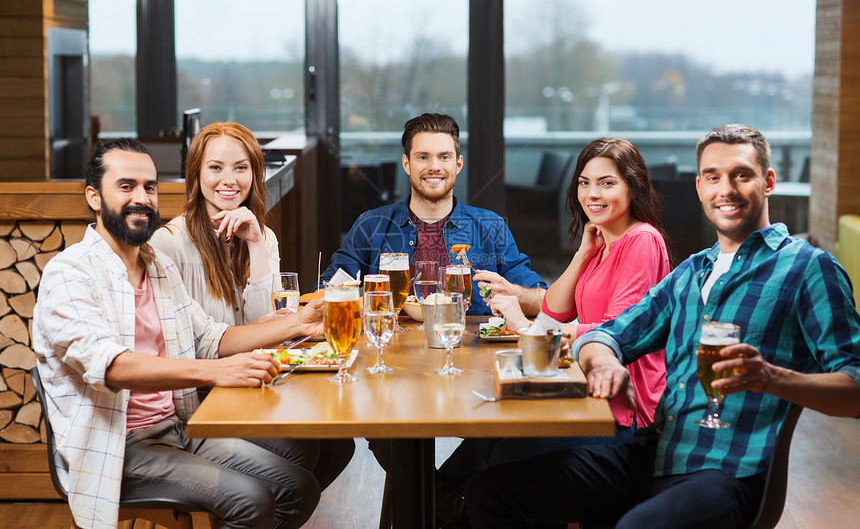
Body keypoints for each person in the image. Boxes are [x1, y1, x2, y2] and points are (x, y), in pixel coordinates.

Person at [464, 124, 860, 529]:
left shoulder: (808, 268)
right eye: (712, 177)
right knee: (489, 493)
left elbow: (856, 387)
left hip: (725, 471)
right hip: (657, 452)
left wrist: (773, 378)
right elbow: (609, 333)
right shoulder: (691, 272)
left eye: (741, 174)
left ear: (768, 181)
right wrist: (603, 360)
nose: (725, 189)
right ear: (699, 187)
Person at [32, 138, 329, 529]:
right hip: (121, 445)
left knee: (299, 487)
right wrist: (216, 372)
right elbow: (111, 367)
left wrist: (298, 323)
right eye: (126, 186)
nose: (142, 197)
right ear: (93, 196)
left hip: (177, 427)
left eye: (150, 187)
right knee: (251, 500)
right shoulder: (69, 273)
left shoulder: (157, 268)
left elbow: (211, 338)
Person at [150, 122, 355, 492]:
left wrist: (257, 242)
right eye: (215, 167)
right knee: (299, 453)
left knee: (339, 446)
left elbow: (267, 325)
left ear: (255, 174)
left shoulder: (261, 234)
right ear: (195, 174)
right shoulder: (169, 245)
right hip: (203, 397)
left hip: (251, 383)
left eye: (241, 167)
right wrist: (285, 326)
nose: (229, 180)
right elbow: (196, 346)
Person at [484, 137, 670, 462]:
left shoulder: (641, 240)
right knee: (491, 442)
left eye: (606, 183)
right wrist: (583, 254)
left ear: (633, 187)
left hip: (626, 412)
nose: (592, 194)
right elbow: (553, 310)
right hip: (590, 392)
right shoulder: (602, 241)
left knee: (505, 454)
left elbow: (613, 332)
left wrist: (525, 327)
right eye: (585, 183)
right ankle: (450, 510)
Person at [319, 112, 546, 316]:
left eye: (444, 157)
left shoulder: (491, 226)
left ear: (458, 164)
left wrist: (513, 292)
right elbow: (325, 291)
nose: (434, 166)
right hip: (387, 351)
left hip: (468, 353)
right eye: (423, 157)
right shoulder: (370, 225)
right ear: (407, 164)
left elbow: (542, 300)